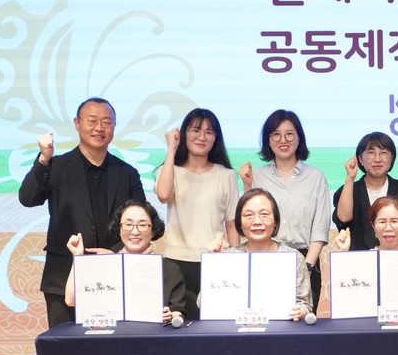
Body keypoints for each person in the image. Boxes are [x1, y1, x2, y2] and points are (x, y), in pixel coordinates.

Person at [19, 97, 146, 327]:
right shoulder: (56, 166)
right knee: (65, 345)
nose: (99, 128)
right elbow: (28, 198)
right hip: (63, 277)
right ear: (77, 123)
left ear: (114, 127)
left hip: (114, 275)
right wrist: (44, 159)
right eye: (92, 121)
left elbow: (143, 222)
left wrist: (115, 253)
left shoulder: (127, 173)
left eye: (106, 122)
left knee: (113, 345)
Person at [153, 108, 239, 321]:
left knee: (215, 323)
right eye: (196, 130)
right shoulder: (169, 170)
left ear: (216, 138)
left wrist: (236, 260)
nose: (202, 137)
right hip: (176, 260)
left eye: (209, 132)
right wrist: (171, 149)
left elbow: (231, 223)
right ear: (184, 134)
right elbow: (163, 195)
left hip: (214, 261)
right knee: (178, 323)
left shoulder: (227, 175)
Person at [240, 110, 331, 309]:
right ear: (268, 139)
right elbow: (248, 218)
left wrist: (307, 266)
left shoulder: (316, 176)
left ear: (299, 138)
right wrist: (247, 185)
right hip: (266, 258)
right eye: (276, 134)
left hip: (306, 258)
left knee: (302, 320)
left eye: (289, 134)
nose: (283, 140)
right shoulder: (257, 176)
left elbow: (320, 228)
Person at [62, 199, 187, 324]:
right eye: (128, 224)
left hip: (153, 333)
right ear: (119, 228)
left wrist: (171, 316)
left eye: (142, 225)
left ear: (153, 230)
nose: (135, 231)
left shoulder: (170, 269)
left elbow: (178, 311)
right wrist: (77, 257)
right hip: (110, 333)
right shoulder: (104, 264)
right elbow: (71, 300)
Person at [317, 196, 398, 318]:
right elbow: (347, 294)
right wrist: (343, 253)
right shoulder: (364, 261)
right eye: (382, 222)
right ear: (373, 225)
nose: (388, 228)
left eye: (394, 221)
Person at [222, 188, 312, 320]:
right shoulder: (228, 258)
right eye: (248, 215)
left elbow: (305, 304)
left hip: (281, 328)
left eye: (264, 214)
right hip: (235, 328)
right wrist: (214, 263)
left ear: (275, 220)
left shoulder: (293, 257)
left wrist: (301, 311)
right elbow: (202, 303)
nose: (257, 222)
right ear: (239, 223)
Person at [333, 132, 398, 250]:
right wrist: (350, 178)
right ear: (360, 159)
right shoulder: (348, 190)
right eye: (371, 153)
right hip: (359, 258)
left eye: (383, 153)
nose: (377, 159)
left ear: (392, 158)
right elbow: (344, 218)